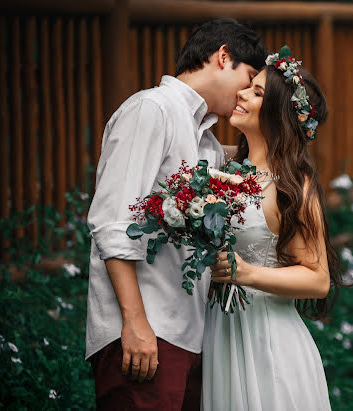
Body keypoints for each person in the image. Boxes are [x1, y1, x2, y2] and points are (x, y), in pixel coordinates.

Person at [85, 19, 267, 409]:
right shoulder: (151, 110)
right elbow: (112, 222)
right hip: (143, 334)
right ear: (223, 57)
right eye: (249, 78)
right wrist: (134, 322)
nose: (245, 94)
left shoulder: (207, 143)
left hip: (191, 336)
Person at [202, 46, 345, 411]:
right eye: (249, 87)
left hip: (269, 340)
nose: (242, 93)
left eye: (257, 92)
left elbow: (318, 279)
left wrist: (247, 272)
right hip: (221, 332)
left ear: (279, 114)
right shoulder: (225, 162)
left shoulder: (294, 186)